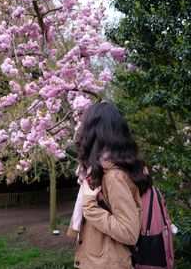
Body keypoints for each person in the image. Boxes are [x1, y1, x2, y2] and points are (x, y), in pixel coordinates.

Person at [67, 102, 152, 269]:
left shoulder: (113, 175)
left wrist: (90, 206)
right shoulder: (101, 170)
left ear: (94, 132)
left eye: (85, 126)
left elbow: (129, 232)